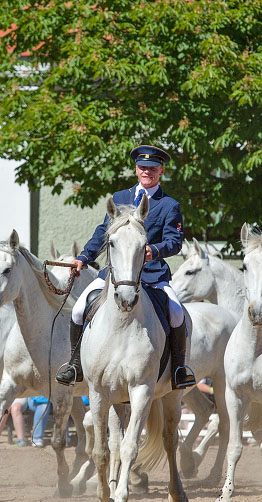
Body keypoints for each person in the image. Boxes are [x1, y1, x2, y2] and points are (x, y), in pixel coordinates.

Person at [55, 144, 195, 390]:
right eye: (142, 167)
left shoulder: (169, 205)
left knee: (176, 313)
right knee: (78, 310)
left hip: (151, 275)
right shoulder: (120, 198)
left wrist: (155, 251)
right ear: (136, 169)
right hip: (116, 274)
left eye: (152, 168)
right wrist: (84, 258)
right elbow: (102, 233)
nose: (147, 172)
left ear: (161, 170)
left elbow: (175, 242)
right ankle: (74, 365)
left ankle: (178, 369)